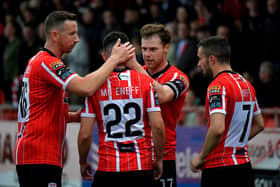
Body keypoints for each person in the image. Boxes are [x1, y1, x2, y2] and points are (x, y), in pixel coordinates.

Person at [15, 11, 134, 187]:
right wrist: (114, 59)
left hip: (38, 155)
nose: (77, 39)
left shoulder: (41, 61)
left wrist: (72, 117)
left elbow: (37, 109)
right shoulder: (47, 63)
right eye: (72, 33)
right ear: (55, 35)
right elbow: (86, 87)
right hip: (38, 155)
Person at [78, 31, 165, 187]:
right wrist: (159, 158)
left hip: (108, 168)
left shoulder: (92, 86)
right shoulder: (146, 82)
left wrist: (82, 162)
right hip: (141, 168)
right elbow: (158, 126)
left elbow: (85, 135)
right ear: (129, 54)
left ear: (105, 57)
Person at [191, 36, 264, 187]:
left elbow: (217, 128)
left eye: (200, 59)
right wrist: (234, 142)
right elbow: (260, 124)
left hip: (220, 169)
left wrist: (201, 157)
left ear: (212, 59)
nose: (198, 64)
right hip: (244, 166)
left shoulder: (217, 86)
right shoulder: (246, 85)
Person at [127, 23, 190, 187]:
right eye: (144, 49)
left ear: (166, 48)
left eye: (153, 49)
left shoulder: (179, 77)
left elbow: (162, 95)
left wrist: (134, 66)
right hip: (136, 155)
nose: (147, 54)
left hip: (164, 155)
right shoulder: (134, 74)